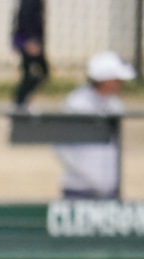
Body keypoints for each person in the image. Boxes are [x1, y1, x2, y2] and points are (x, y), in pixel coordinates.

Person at [56, 51, 135, 199]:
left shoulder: (115, 104)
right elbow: (61, 146)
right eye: (117, 79)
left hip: (109, 187)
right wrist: (88, 176)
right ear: (105, 80)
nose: (121, 84)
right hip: (79, 188)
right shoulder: (76, 104)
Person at [12, 0, 47, 108]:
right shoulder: (30, 2)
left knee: (31, 73)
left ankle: (21, 101)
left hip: (31, 42)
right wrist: (29, 41)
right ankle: (20, 101)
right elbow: (26, 20)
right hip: (29, 43)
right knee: (38, 72)